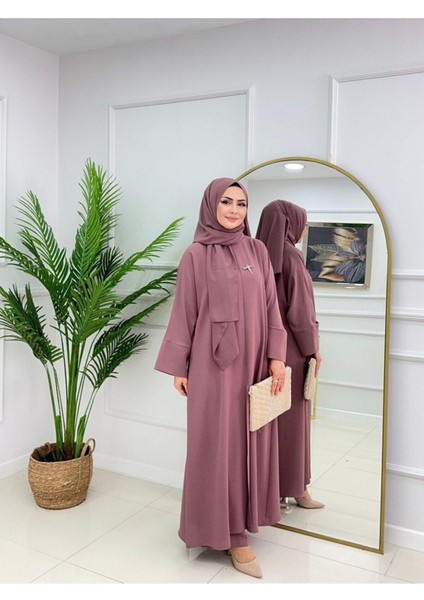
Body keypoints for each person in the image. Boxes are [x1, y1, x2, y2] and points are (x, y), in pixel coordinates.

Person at [155, 178, 287, 578]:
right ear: (211, 205)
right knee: (216, 446)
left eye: (241, 204)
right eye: (226, 202)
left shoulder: (257, 250)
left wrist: (276, 356)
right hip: (212, 369)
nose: (234, 210)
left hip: (254, 364)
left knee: (251, 440)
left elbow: (271, 306)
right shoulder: (195, 255)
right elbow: (185, 312)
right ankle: (228, 534)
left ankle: (245, 518)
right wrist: (180, 366)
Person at [256, 200, 324, 510]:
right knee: (294, 423)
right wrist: (313, 349)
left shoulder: (255, 256)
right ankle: (297, 489)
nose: (304, 229)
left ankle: (274, 492)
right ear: (290, 224)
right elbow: (300, 313)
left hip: (264, 352)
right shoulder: (292, 256)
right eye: (303, 223)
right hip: (293, 352)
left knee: (269, 422)